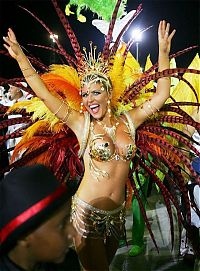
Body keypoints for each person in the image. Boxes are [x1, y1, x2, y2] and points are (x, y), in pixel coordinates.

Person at [3, 19, 176, 270]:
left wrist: (163, 53)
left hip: (117, 216)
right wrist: (21, 59)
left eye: (95, 92)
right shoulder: (81, 124)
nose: (88, 99)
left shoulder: (130, 120)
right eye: (85, 94)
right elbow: (44, 93)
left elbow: (161, 94)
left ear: (108, 93)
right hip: (87, 214)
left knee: (105, 264)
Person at [0, 164, 81, 271]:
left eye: (68, 219)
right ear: (24, 236)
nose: (73, 232)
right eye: (61, 225)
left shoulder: (68, 263)